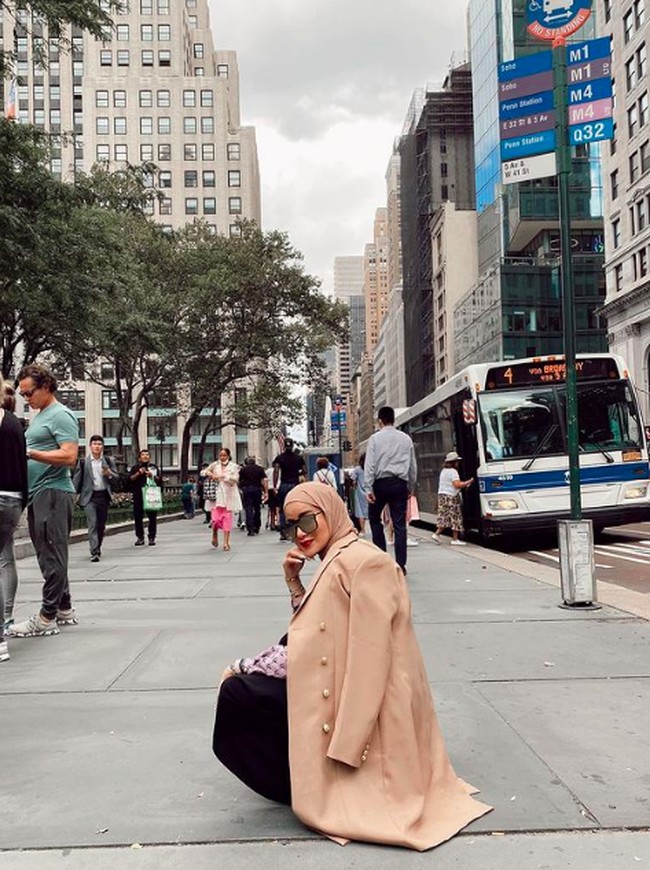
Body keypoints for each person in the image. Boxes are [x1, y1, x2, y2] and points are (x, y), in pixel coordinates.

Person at [213, 483, 491, 850]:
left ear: (329, 513)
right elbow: (314, 631)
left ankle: (300, 782)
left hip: (364, 709)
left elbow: (370, 661)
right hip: (335, 684)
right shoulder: (338, 557)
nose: (300, 534)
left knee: (239, 697)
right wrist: (294, 583)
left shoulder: (364, 562)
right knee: (242, 694)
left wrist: (348, 745)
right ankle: (300, 777)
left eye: (308, 522)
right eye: (291, 525)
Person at [8, 363, 79, 639]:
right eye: (23, 395)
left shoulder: (61, 415)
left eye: (29, 393)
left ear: (46, 386)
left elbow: (70, 456)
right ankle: (63, 607)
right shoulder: (41, 415)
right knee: (49, 553)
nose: (26, 399)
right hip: (40, 493)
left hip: (53, 491)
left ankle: (46, 617)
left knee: (51, 555)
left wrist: (30, 453)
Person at [365, 406, 417, 575]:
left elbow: (370, 465)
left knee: (374, 519)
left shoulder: (374, 439)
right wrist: (410, 486)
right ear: (393, 419)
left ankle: (382, 559)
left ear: (380, 420)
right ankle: (400, 565)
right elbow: (412, 465)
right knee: (400, 524)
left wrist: (368, 487)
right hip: (399, 483)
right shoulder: (406, 439)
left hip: (380, 484)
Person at [0, 377, 28, 660]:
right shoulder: (13, 423)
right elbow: (23, 466)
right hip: (12, 500)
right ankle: (6, 618)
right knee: (4, 559)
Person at [73, 435, 119, 562]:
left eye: (99, 444)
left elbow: (117, 478)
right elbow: (77, 480)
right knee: (92, 523)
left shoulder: (108, 461)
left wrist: (109, 474)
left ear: (102, 446)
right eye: (94, 444)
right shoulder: (83, 462)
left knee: (101, 525)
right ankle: (94, 551)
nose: (97, 446)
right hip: (89, 497)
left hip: (103, 496)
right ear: (90, 446)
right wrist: (72, 494)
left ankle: (98, 546)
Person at [432, 452, 473, 546]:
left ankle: (437, 534)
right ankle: (454, 539)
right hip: (451, 497)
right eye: (457, 461)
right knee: (455, 517)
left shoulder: (443, 471)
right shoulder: (453, 472)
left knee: (444, 517)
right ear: (454, 462)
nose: (458, 463)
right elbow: (457, 484)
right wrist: (468, 482)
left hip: (442, 496)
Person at [203, 448, 241, 551]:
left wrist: (225, 477)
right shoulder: (215, 465)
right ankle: (214, 534)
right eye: (220, 455)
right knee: (215, 520)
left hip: (228, 495)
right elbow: (204, 472)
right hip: (216, 496)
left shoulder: (234, 466)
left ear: (228, 456)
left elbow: (235, 480)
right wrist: (211, 474)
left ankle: (226, 542)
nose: (222, 457)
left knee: (227, 520)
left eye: (224, 455)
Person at [272, 439, 306, 541]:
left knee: (282, 509)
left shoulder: (279, 458)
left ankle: (283, 532)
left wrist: (274, 485)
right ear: (292, 446)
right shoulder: (298, 458)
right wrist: (298, 473)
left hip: (284, 485)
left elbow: (276, 471)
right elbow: (305, 470)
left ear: (284, 447)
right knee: (295, 508)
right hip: (294, 485)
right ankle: (294, 531)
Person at [127, 448, 162, 547]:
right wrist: (138, 473)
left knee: (152, 517)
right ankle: (140, 537)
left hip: (151, 494)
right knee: (138, 517)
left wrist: (152, 476)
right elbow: (129, 479)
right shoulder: (135, 468)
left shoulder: (154, 468)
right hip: (138, 495)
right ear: (139, 458)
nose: (145, 456)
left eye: (147, 455)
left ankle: (151, 537)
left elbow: (160, 480)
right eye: (143, 455)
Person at [238, 456, 267, 536]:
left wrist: (241, 488)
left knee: (248, 508)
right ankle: (257, 526)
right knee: (257, 508)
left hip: (247, 490)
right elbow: (264, 480)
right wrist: (265, 491)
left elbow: (239, 480)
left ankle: (250, 528)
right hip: (257, 489)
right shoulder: (259, 469)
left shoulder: (243, 469)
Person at [350, 453, 369, 535]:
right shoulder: (370, 469)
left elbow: (352, 480)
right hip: (369, 491)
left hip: (359, 492)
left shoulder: (358, 469)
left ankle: (362, 530)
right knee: (368, 511)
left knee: (360, 511)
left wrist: (354, 486)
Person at [265, 462, 279, 531]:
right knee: (278, 507)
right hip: (278, 489)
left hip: (270, 489)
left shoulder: (268, 471)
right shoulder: (279, 471)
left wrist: (265, 491)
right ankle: (278, 522)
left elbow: (265, 480)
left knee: (272, 508)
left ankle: (272, 523)